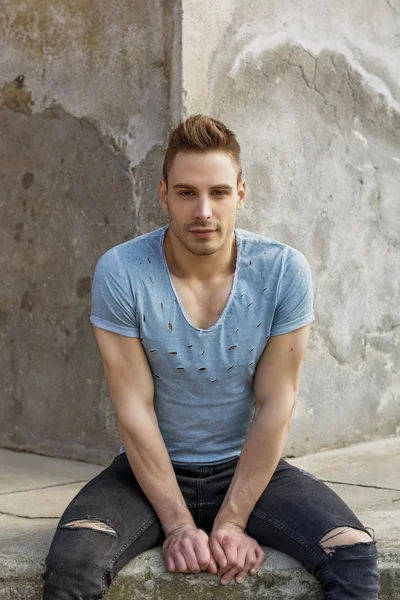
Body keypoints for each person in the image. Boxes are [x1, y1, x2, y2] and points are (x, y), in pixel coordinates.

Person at [42, 115, 379, 599]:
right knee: (74, 560)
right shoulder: (123, 271)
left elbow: (276, 403)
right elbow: (132, 406)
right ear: (163, 195)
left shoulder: (282, 270)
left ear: (240, 193)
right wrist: (179, 524)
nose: (203, 210)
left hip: (248, 469)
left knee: (351, 550)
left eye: (218, 193)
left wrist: (234, 518)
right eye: (186, 193)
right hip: (148, 471)